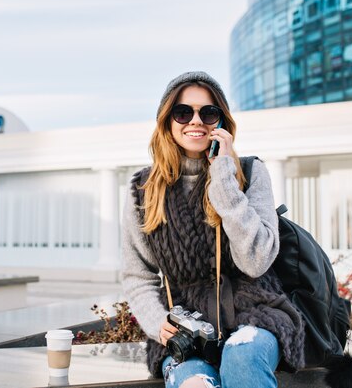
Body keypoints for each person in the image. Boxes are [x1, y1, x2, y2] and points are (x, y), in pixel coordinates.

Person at [121, 71, 305, 388]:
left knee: (241, 359)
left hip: (256, 315)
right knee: (194, 384)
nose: (196, 121)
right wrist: (157, 322)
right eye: (183, 112)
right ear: (167, 120)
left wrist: (223, 181)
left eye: (208, 112)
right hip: (185, 329)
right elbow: (138, 275)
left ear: (221, 121)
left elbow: (256, 261)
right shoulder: (143, 189)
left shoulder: (250, 172)